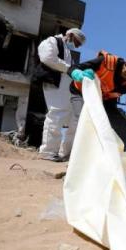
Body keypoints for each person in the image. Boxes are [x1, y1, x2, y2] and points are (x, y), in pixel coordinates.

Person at [68, 50, 126, 162]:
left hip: (105, 100)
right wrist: (77, 74)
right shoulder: (106, 62)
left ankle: (117, 159)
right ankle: (76, 158)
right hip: (82, 93)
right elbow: (73, 67)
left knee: (122, 125)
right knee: (84, 121)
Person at [35, 28, 86, 162]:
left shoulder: (67, 51)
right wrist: (69, 69)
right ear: (70, 35)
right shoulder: (52, 41)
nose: (77, 46)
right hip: (54, 84)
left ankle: (65, 152)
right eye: (77, 42)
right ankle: (48, 152)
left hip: (65, 88)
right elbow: (47, 58)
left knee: (72, 118)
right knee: (56, 114)